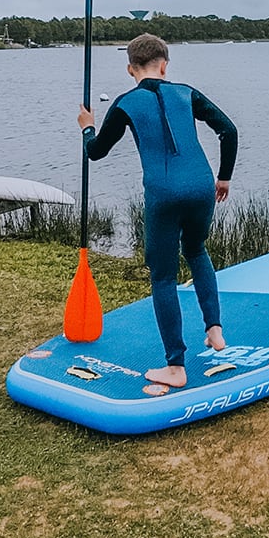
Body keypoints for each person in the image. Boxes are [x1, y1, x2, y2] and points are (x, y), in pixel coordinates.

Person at [78, 33, 237, 390]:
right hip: (201, 187)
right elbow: (228, 130)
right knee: (197, 250)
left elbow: (96, 152)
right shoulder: (187, 92)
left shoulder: (125, 103)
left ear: (130, 68)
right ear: (165, 65)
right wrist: (223, 177)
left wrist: (87, 127)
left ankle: (176, 367)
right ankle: (214, 328)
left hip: (163, 194)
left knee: (163, 277)